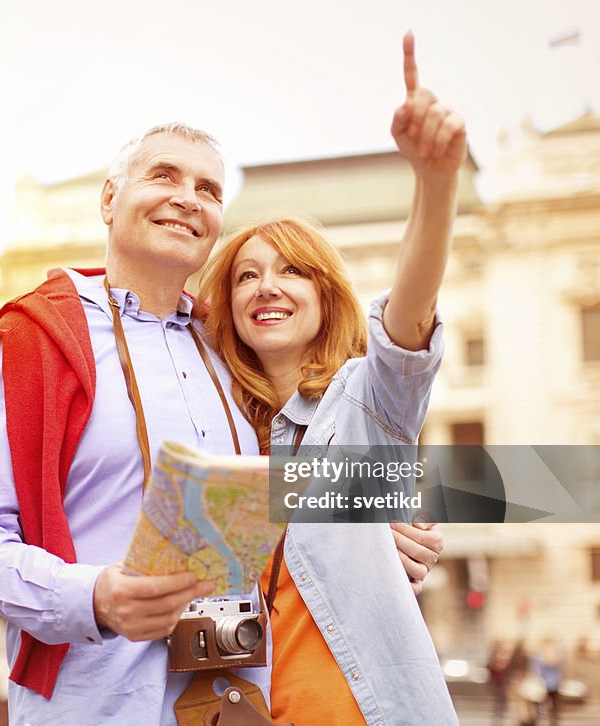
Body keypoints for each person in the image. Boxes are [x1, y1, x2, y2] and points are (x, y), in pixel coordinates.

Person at [0, 116, 444, 723]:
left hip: (236, 707)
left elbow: (266, 492)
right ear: (109, 199)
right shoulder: (32, 344)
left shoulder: (233, 355)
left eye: (208, 190)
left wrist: (355, 530)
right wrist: (94, 597)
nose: (186, 198)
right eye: (163, 176)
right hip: (99, 704)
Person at [196, 31, 462, 724]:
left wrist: (435, 182)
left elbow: (411, 311)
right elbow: (205, 634)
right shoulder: (217, 435)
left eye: (290, 270)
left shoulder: (366, 402)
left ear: (325, 295)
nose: (266, 286)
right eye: (246, 275)